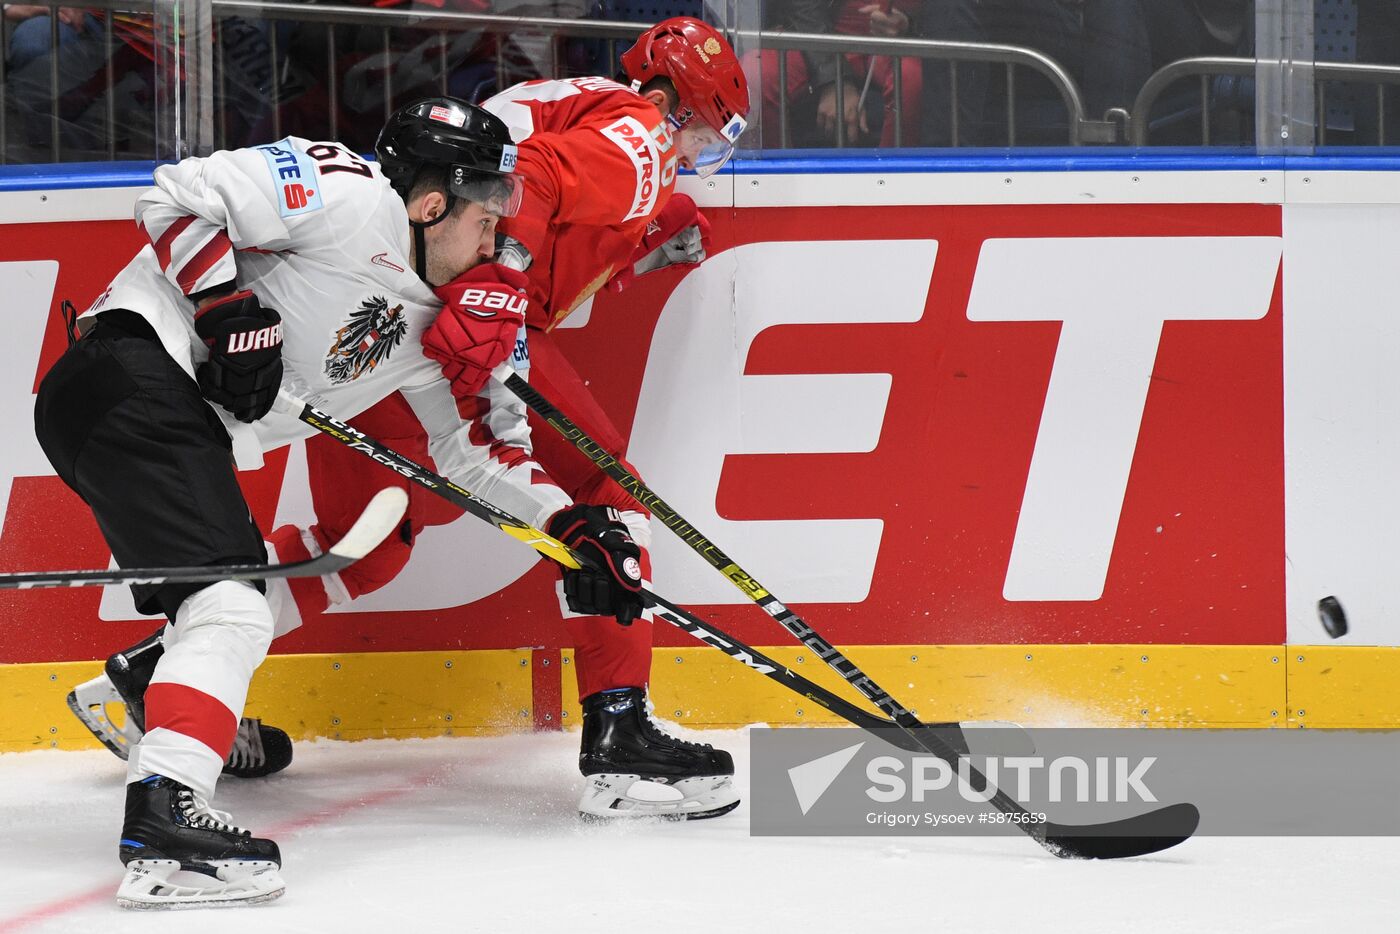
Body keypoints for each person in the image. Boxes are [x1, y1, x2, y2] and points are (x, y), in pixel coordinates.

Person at [66, 16, 750, 825]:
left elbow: (516, 216)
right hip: (448, 314)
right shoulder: (640, 133)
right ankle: (621, 738)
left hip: (403, 329)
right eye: (701, 133)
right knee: (604, 491)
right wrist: (502, 276)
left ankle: (158, 670)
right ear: (672, 103)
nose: (695, 157)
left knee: (359, 544)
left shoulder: (590, 115)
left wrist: (634, 254)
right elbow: (521, 181)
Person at [35, 98, 591, 908]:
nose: (498, 232)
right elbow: (176, 195)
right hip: (126, 371)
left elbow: (469, 455)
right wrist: (225, 304)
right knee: (232, 608)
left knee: (224, 605)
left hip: (146, 409)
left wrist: (569, 526)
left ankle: (158, 710)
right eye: (487, 209)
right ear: (432, 204)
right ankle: (164, 817)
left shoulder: (441, 318)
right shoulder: (348, 193)